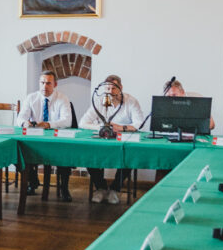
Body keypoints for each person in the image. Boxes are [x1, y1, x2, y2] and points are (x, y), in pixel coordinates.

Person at [79, 75, 144, 204]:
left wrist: (121, 127)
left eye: (114, 88)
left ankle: (115, 189)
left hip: (123, 142)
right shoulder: (100, 101)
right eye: (107, 88)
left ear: (121, 88)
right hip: (104, 140)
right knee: (88, 155)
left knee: (128, 158)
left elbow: (139, 124)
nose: (110, 91)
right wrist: (101, 127)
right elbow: (83, 122)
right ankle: (101, 188)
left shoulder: (131, 101)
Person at [17, 71, 74, 201]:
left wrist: (48, 124)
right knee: (21, 151)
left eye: (48, 83)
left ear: (55, 84)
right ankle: (33, 181)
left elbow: (67, 121)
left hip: (57, 139)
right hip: (36, 138)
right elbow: (20, 118)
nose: (44, 86)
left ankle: (64, 187)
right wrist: (25, 122)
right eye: (42, 83)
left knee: (65, 154)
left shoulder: (62, 98)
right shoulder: (31, 97)